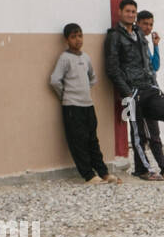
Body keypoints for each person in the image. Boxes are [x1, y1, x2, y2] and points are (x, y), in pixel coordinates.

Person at [104, 0, 164, 182]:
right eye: (127, 11)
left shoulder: (138, 34)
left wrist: (152, 83)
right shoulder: (114, 36)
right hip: (131, 92)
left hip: (148, 87)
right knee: (137, 133)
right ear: (120, 12)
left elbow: (147, 62)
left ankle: (162, 166)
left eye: (133, 12)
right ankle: (144, 170)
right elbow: (112, 68)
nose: (131, 14)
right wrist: (127, 92)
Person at [49, 23, 119, 185]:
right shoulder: (64, 58)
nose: (78, 40)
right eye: (73, 37)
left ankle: (103, 172)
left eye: (80, 35)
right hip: (72, 107)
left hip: (88, 105)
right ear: (67, 40)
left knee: (92, 140)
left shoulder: (85, 57)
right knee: (78, 142)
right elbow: (54, 81)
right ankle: (88, 175)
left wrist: (84, 89)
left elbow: (93, 77)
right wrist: (65, 96)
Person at [135, 10, 164, 180]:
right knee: (146, 135)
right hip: (141, 92)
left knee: (156, 128)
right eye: (145, 23)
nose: (148, 27)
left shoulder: (145, 43)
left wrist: (156, 45)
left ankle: (161, 167)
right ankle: (156, 168)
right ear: (138, 23)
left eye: (150, 24)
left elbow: (155, 66)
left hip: (152, 90)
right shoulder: (135, 42)